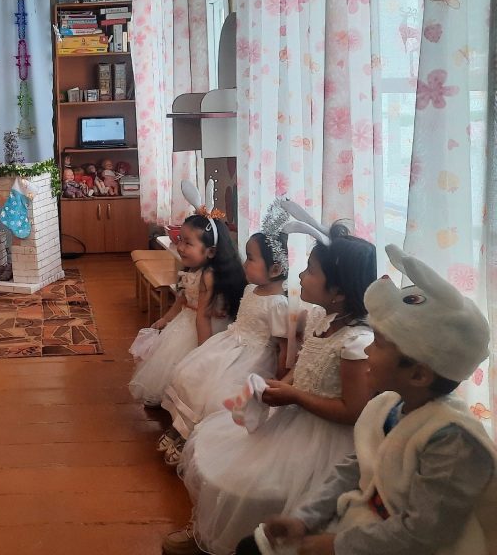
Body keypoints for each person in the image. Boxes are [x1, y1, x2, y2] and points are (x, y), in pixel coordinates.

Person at [238, 244, 495, 555]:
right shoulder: (386, 406)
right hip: (365, 527)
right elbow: (354, 468)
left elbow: (424, 534)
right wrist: (304, 519)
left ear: (418, 374)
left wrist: (335, 545)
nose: (368, 350)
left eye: (380, 344)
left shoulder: (453, 442)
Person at [166, 217, 377, 555]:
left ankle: (250, 540)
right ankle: (214, 530)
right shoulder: (323, 318)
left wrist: (295, 395)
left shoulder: (356, 342)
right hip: (296, 413)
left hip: (322, 436)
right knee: (229, 458)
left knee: (260, 482)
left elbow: (353, 411)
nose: (301, 276)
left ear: (338, 291)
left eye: (310, 271)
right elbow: (305, 363)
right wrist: (282, 383)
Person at [158, 200, 292, 465]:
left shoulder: (279, 305)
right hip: (229, 344)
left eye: (251, 259)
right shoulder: (250, 289)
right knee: (190, 375)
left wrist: (280, 377)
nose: (245, 263)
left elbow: (283, 346)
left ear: (275, 269)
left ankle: (193, 437)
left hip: (252, 358)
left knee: (214, 395)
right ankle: (181, 428)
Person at [128, 184, 246, 409]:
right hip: (185, 322)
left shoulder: (208, 276)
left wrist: (203, 352)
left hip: (204, 330)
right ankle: (172, 399)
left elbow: (203, 317)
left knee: (191, 368)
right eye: (180, 240)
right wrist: (166, 319)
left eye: (188, 243)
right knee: (170, 365)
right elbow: (181, 300)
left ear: (210, 251)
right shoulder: (192, 270)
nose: (180, 247)